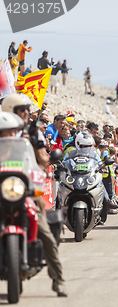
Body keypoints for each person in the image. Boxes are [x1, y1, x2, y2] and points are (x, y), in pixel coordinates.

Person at [0, 105, 67, 297]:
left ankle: (58, 279)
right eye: (21, 110)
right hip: (2, 193)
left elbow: (39, 163)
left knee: (45, 232)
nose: (26, 113)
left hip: (24, 192)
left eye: (26, 110)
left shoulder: (29, 137)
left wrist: (40, 171)